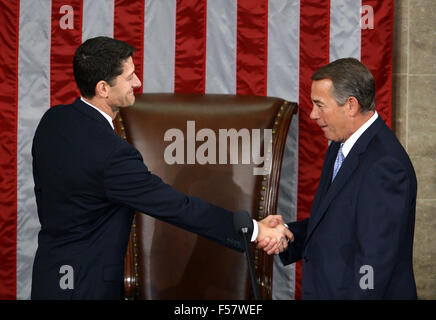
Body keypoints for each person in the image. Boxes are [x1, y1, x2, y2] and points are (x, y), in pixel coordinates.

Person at [31, 36, 291, 300]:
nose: (137, 83)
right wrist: (255, 230)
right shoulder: (112, 155)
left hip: (50, 278)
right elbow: (179, 207)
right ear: (103, 88)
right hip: (87, 287)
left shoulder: (53, 121)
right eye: (129, 77)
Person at [259, 58, 417, 299]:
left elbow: (373, 262)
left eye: (320, 105)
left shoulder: (386, 165)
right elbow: (337, 224)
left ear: (351, 106)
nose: (312, 114)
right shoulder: (340, 145)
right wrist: (289, 233)